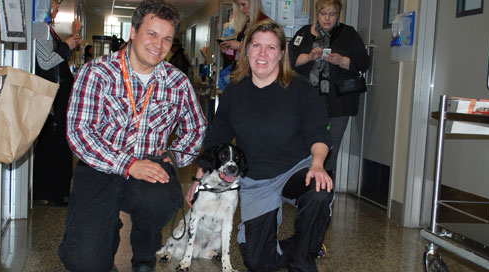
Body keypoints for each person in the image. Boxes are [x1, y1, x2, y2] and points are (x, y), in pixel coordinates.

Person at [57, 1, 208, 271]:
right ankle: (104, 228)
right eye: (151, 34)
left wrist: (172, 156)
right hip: (99, 168)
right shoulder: (97, 72)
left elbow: (196, 129)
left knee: (158, 200)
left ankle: (144, 254)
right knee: (85, 263)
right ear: (133, 32)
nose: (158, 45)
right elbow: (79, 132)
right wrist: (127, 164)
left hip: (149, 167)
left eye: (166, 39)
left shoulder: (177, 82)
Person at [186, 20, 334, 272]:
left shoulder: (300, 89)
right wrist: (199, 179)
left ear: (281, 54)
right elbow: (216, 138)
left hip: (295, 169)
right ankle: (304, 245)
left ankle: (303, 261)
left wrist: (318, 165)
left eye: (271, 48)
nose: (262, 54)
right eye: (256, 46)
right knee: (258, 261)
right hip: (256, 181)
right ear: (247, 50)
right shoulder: (234, 93)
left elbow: (318, 132)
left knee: (319, 192)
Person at [289, 0, 370, 179]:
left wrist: (341, 61)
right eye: (323, 14)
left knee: (331, 147)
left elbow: (363, 63)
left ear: (338, 15)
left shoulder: (348, 34)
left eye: (332, 14)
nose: (327, 18)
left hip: (338, 103)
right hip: (306, 103)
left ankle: (326, 189)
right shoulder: (303, 33)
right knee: (304, 145)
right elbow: (290, 61)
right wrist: (310, 56)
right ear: (317, 14)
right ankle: (304, 188)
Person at [33, 0, 81, 206]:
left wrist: (69, 42)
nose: (57, 7)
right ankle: (51, 192)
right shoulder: (39, 28)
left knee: (58, 143)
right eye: (54, 3)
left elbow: (57, 58)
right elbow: (46, 61)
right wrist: (67, 45)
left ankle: (58, 191)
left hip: (59, 97)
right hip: (52, 98)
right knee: (52, 144)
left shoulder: (47, 29)